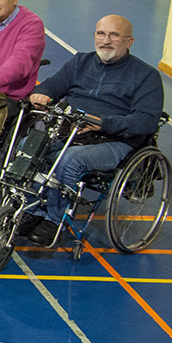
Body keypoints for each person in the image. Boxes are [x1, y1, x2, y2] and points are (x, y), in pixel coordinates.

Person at [28, 15, 163, 224]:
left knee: (69, 160)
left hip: (112, 140)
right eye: (101, 33)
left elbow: (146, 121)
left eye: (114, 35)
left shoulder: (146, 76)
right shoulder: (81, 61)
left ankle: (53, 221)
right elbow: (51, 85)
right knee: (28, 147)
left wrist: (104, 122)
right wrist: (42, 94)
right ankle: (30, 211)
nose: (105, 40)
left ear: (130, 41)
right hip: (70, 130)